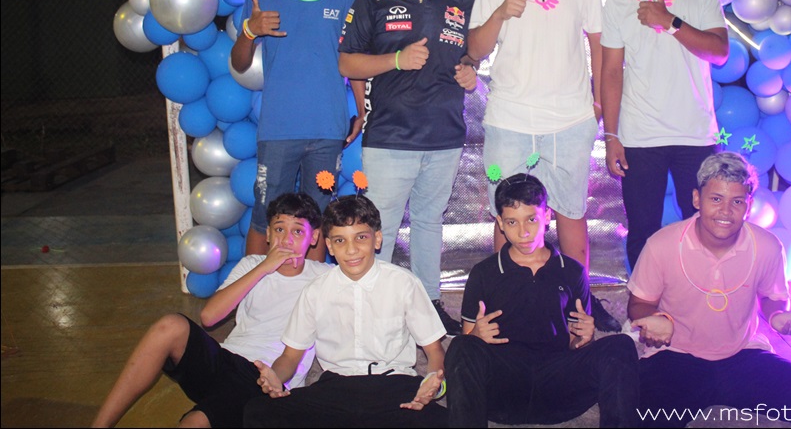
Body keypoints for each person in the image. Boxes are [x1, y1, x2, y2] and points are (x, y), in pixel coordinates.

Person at [467, 0, 618, 331]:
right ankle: (503, 304)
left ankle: (580, 304)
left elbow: (598, 43)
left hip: (570, 118)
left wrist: (597, 101)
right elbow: (474, 49)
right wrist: (500, 13)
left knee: (571, 211)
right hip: (510, 117)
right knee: (505, 213)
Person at [628, 152, 791, 428]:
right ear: (697, 199)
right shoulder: (662, 244)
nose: (726, 211)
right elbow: (638, 303)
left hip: (742, 355)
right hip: (674, 356)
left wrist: (776, 315)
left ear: (749, 206)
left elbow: (772, 297)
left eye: (737, 201)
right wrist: (657, 319)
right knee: (632, 415)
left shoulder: (767, 246)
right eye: (716, 199)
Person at [338, 0, 477, 334]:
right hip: (390, 136)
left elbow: (473, 51)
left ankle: (428, 304)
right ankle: (371, 311)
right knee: (377, 227)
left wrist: (470, 68)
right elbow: (347, 62)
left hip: (445, 134)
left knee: (429, 223)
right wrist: (396, 59)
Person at [91, 193, 330, 428]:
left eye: (297, 232)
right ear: (268, 234)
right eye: (279, 229)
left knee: (195, 422)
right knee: (170, 325)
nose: (286, 240)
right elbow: (209, 317)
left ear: (314, 237)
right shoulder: (251, 265)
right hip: (226, 360)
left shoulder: (323, 278)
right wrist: (264, 268)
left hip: (264, 378)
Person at [444, 173, 639, 427]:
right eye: (512, 222)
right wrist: (477, 336)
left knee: (620, 346)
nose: (523, 232)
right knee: (460, 346)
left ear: (547, 216)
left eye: (531, 219)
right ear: (500, 223)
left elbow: (575, 343)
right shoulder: (484, 273)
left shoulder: (571, 271)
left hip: (558, 382)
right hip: (503, 387)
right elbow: (468, 343)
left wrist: (584, 338)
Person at [244, 195, 448, 428]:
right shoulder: (315, 290)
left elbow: (434, 350)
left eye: (361, 237)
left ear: (377, 239)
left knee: (446, 421)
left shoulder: (404, 283)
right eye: (340, 240)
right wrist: (275, 376)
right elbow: (290, 357)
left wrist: (432, 382)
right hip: (335, 389)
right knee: (258, 412)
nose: (351, 250)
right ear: (330, 246)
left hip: (395, 387)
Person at [600, 0, 729, 271]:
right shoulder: (619, 0)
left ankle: (702, 294)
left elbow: (719, 52)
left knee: (703, 225)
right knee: (643, 230)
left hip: (695, 132)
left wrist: (670, 21)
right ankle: (644, 301)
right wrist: (611, 135)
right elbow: (611, 72)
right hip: (640, 135)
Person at [231, 0, 361, 261]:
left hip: (327, 128)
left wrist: (362, 110)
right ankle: (254, 293)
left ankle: (312, 294)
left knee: (317, 221)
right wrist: (250, 31)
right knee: (266, 218)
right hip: (279, 128)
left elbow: (353, 57)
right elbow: (240, 64)